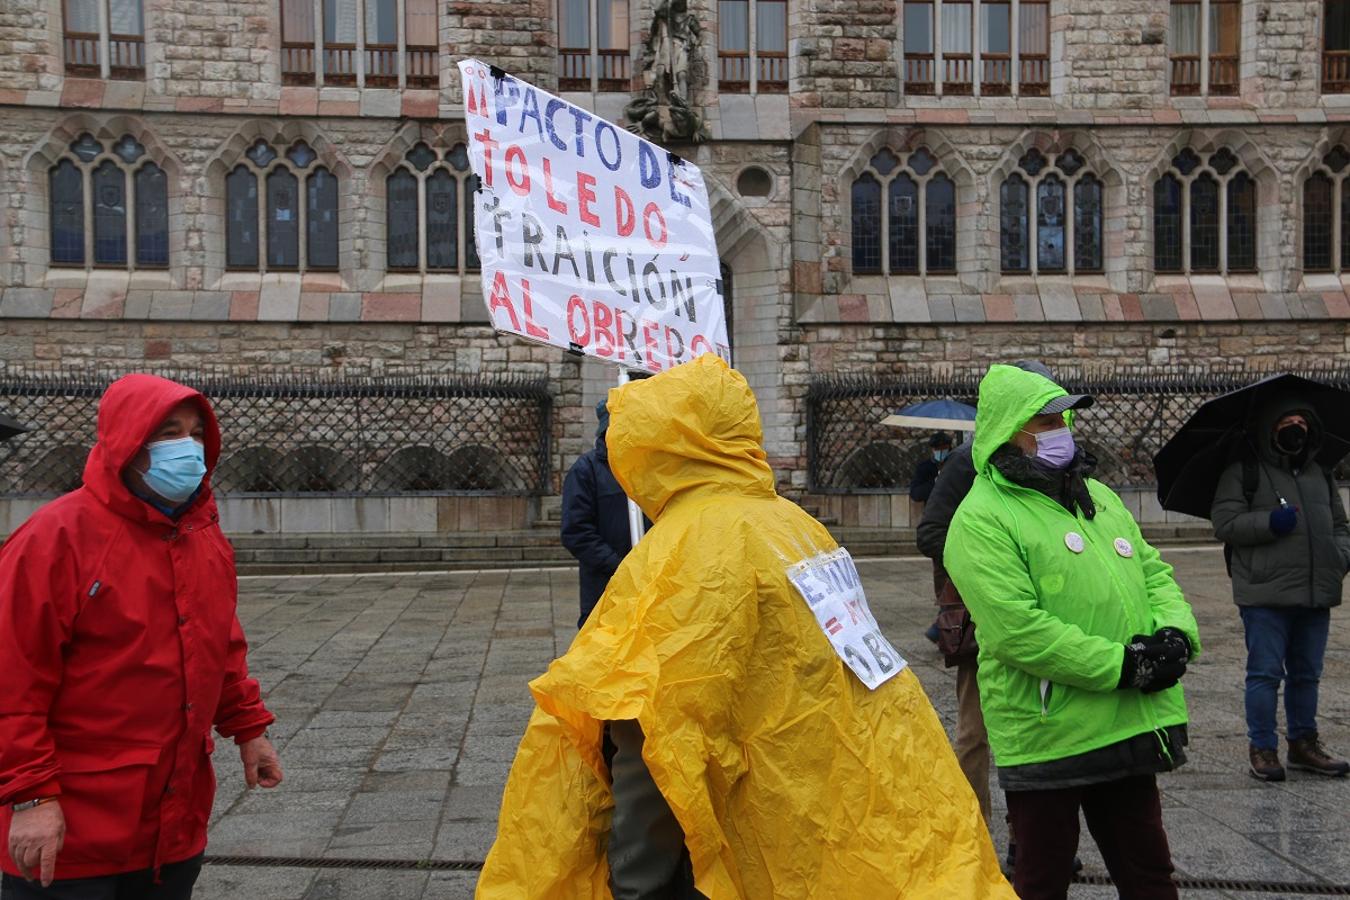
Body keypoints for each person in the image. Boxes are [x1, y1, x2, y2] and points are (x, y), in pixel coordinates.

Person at [478, 355, 1013, 898]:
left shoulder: (686, 547)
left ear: (658, 445)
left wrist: (641, 884)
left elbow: (655, 727)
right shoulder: (798, 525)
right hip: (837, 802)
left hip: (758, 817)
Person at [0, 374, 281, 899]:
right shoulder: (55, 538)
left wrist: (248, 728)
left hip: (171, 825)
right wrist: (31, 797)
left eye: (197, 433)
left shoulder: (201, 534)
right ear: (127, 441)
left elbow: (219, 643)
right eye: (168, 431)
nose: (188, 447)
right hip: (74, 830)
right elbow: (11, 678)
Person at [945, 364, 1200, 900]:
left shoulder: (1098, 497)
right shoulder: (981, 518)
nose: (1061, 426)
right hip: (1049, 732)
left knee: (1150, 874)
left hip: (1126, 722)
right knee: (1043, 879)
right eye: (1046, 419)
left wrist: (1176, 634)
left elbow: (1153, 572)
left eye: (1063, 415)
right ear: (1008, 429)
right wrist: (1123, 666)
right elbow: (1018, 630)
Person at [915, 360, 1057, 870]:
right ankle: (974, 837)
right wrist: (990, 565)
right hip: (983, 620)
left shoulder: (1056, 466)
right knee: (976, 734)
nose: (1052, 425)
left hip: (1048, 621)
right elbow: (930, 534)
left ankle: (1034, 840)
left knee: (1045, 732)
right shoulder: (964, 465)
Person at [1211, 395, 1350, 781]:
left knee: (1307, 675)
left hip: (1315, 592)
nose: (1296, 430)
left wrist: (1339, 558)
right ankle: (1263, 749)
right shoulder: (1245, 471)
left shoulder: (1319, 473)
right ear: (1271, 428)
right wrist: (1270, 522)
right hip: (1265, 595)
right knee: (1265, 674)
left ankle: (1304, 744)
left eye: (1304, 424)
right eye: (1288, 421)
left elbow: (1341, 525)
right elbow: (1225, 523)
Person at [561, 399, 644, 628]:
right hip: (604, 586)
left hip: (648, 581)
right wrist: (618, 566)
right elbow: (576, 532)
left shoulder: (645, 466)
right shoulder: (586, 470)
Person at [909, 431, 953, 505]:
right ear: (932, 449)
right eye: (937, 449)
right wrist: (935, 482)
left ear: (949, 448)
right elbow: (915, 494)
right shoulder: (924, 468)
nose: (941, 451)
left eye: (944, 448)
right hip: (933, 509)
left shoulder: (954, 464)